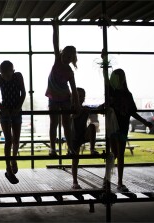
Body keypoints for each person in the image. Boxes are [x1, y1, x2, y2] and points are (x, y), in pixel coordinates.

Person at [102, 66, 152, 192]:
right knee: (115, 154)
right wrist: (104, 62)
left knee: (118, 155)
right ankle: (110, 181)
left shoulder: (125, 94)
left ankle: (114, 181)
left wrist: (144, 122)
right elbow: (105, 79)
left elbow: (132, 112)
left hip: (121, 128)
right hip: (115, 128)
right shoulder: (113, 92)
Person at [45, 20, 80, 157]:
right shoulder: (57, 61)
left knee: (66, 124)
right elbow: (55, 43)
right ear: (62, 54)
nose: (67, 58)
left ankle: (70, 148)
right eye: (65, 55)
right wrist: (55, 28)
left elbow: (74, 89)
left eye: (70, 57)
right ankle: (53, 149)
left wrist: (76, 104)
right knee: (54, 123)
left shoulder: (70, 72)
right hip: (53, 97)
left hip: (65, 98)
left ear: (73, 58)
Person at [0, 60, 26, 184]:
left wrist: (18, 108)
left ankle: (13, 160)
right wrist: (2, 108)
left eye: (7, 74)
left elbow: (23, 93)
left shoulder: (18, 76)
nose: (5, 77)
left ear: (13, 71)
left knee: (16, 139)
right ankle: (8, 168)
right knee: (9, 140)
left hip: (16, 111)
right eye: (3, 74)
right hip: (5, 111)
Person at [70, 87, 101, 189]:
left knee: (92, 126)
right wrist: (80, 111)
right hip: (73, 137)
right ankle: (75, 181)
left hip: (83, 134)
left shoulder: (85, 108)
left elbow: (96, 111)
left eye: (82, 96)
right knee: (75, 159)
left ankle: (92, 149)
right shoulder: (69, 108)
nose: (81, 98)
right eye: (78, 96)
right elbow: (70, 117)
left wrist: (103, 106)